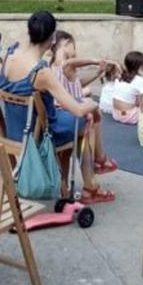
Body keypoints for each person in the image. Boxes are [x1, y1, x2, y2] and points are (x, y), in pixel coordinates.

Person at [0, 11, 112, 204]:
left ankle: (73, 180)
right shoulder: (41, 72)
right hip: (38, 135)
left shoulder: (11, 53)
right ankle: (90, 183)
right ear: (52, 40)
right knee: (86, 120)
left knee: (75, 122)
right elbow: (76, 109)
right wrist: (93, 104)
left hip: (12, 129)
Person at [48, 31, 116, 176]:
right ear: (65, 44)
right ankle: (99, 159)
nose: (75, 51)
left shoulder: (52, 65)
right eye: (73, 45)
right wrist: (95, 60)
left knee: (91, 112)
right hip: (71, 112)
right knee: (93, 113)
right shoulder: (64, 64)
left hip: (66, 110)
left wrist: (97, 74)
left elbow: (77, 84)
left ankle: (98, 162)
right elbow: (71, 62)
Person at [102, 51, 143, 125]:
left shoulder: (120, 77)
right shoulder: (141, 81)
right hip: (129, 117)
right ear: (140, 67)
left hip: (116, 114)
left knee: (135, 95)